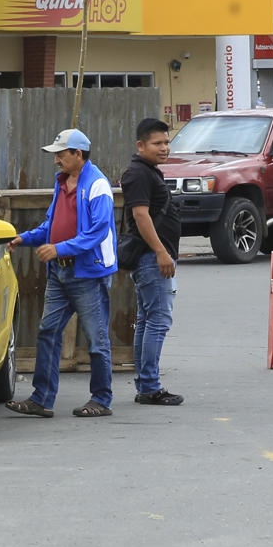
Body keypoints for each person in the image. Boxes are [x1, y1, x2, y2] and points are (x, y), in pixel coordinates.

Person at [6, 128, 117, 419]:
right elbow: (50, 226)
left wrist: (59, 249)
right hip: (60, 272)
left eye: (61, 154)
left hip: (87, 274)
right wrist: (25, 238)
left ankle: (101, 399)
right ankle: (41, 399)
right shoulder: (63, 183)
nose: (56, 160)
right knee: (48, 332)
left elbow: (97, 232)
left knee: (96, 338)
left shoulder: (97, 186)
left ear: (77, 155)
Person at [121, 117, 183, 406]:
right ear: (140, 145)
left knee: (147, 321)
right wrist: (161, 252)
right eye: (157, 143)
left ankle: (147, 385)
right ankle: (149, 387)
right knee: (157, 321)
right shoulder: (139, 174)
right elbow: (140, 216)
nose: (164, 148)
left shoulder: (148, 171)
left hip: (152, 258)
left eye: (167, 142)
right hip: (151, 259)